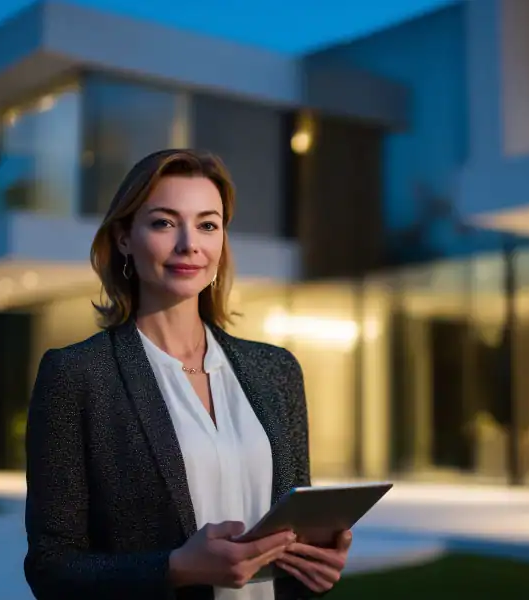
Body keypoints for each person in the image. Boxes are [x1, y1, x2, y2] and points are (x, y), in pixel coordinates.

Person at [23, 149, 352, 600]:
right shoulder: (77, 376)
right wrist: (176, 568)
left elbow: (290, 536)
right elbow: (51, 567)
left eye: (207, 224)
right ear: (124, 237)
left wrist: (317, 563)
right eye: (163, 222)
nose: (189, 244)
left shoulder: (277, 372)